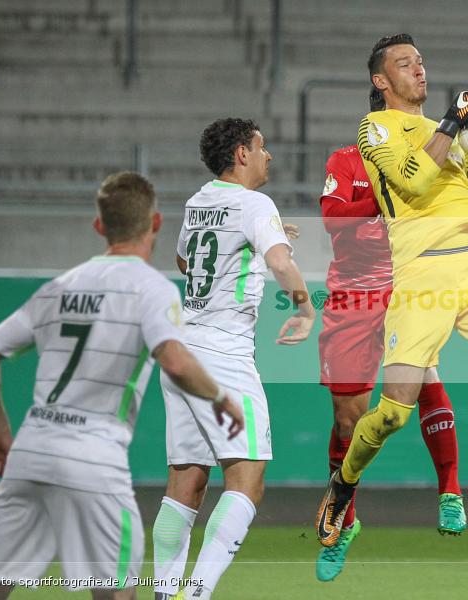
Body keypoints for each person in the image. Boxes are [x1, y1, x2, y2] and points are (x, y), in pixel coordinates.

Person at [315, 34, 468, 548]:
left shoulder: (451, 136)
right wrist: (453, 119)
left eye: (421, 62)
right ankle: (343, 484)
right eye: (405, 64)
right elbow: (411, 180)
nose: (419, 70)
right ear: (381, 80)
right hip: (421, 273)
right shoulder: (376, 128)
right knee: (393, 413)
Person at [0, 172, 244, 600]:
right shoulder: (152, 290)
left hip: (31, 451)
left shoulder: (57, 289)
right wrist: (220, 397)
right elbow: (175, 360)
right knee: (116, 591)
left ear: (99, 226)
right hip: (94, 458)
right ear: (156, 223)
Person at [152, 119, 315, 600]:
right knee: (247, 478)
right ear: (242, 153)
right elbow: (282, 262)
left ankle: (165, 591)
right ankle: (197, 593)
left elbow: (185, 262)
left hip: (182, 348)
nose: (269, 156)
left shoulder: (198, 202)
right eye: (262, 147)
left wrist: (254, 242)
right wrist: (306, 309)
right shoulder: (254, 204)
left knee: (185, 482)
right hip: (223, 354)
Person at [314, 89, 466, 581]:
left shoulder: (426, 158)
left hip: (407, 286)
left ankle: (450, 492)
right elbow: (332, 217)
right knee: (348, 420)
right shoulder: (346, 159)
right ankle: (345, 519)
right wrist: (380, 203)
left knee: (425, 378)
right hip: (353, 298)